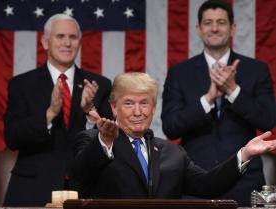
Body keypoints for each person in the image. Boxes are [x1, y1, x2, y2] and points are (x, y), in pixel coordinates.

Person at [72, 72, 276, 200]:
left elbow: (207, 186)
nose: (137, 111)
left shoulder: (172, 152)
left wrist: (245, 154)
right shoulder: (93, 141)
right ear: (114, 107)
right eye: (128, 103)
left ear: (153, 108)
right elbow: (80, 176)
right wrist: (104, 142)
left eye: (144, 103)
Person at [161, 0, 276, 206]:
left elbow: (268, 120)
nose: (214, 28)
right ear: (198, 29)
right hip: (194, 180)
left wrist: (233, 90)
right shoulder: (180, 72)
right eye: (208, 22)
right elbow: (171, 127)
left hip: (245, 179)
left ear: (233, 28)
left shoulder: (256, 69)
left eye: (221, 22)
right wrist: (208, 99)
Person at [3, 14, 113, 207]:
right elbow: (12, 138)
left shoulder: (99, 85)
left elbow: (109, 142)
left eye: (73, 37)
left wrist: (90, 111)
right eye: (60, 36)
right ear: (45, 42)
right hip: (33, 189)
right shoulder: (22, 85)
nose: (67, 43)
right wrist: (50, 113)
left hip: (85, 188)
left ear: (79, 42)